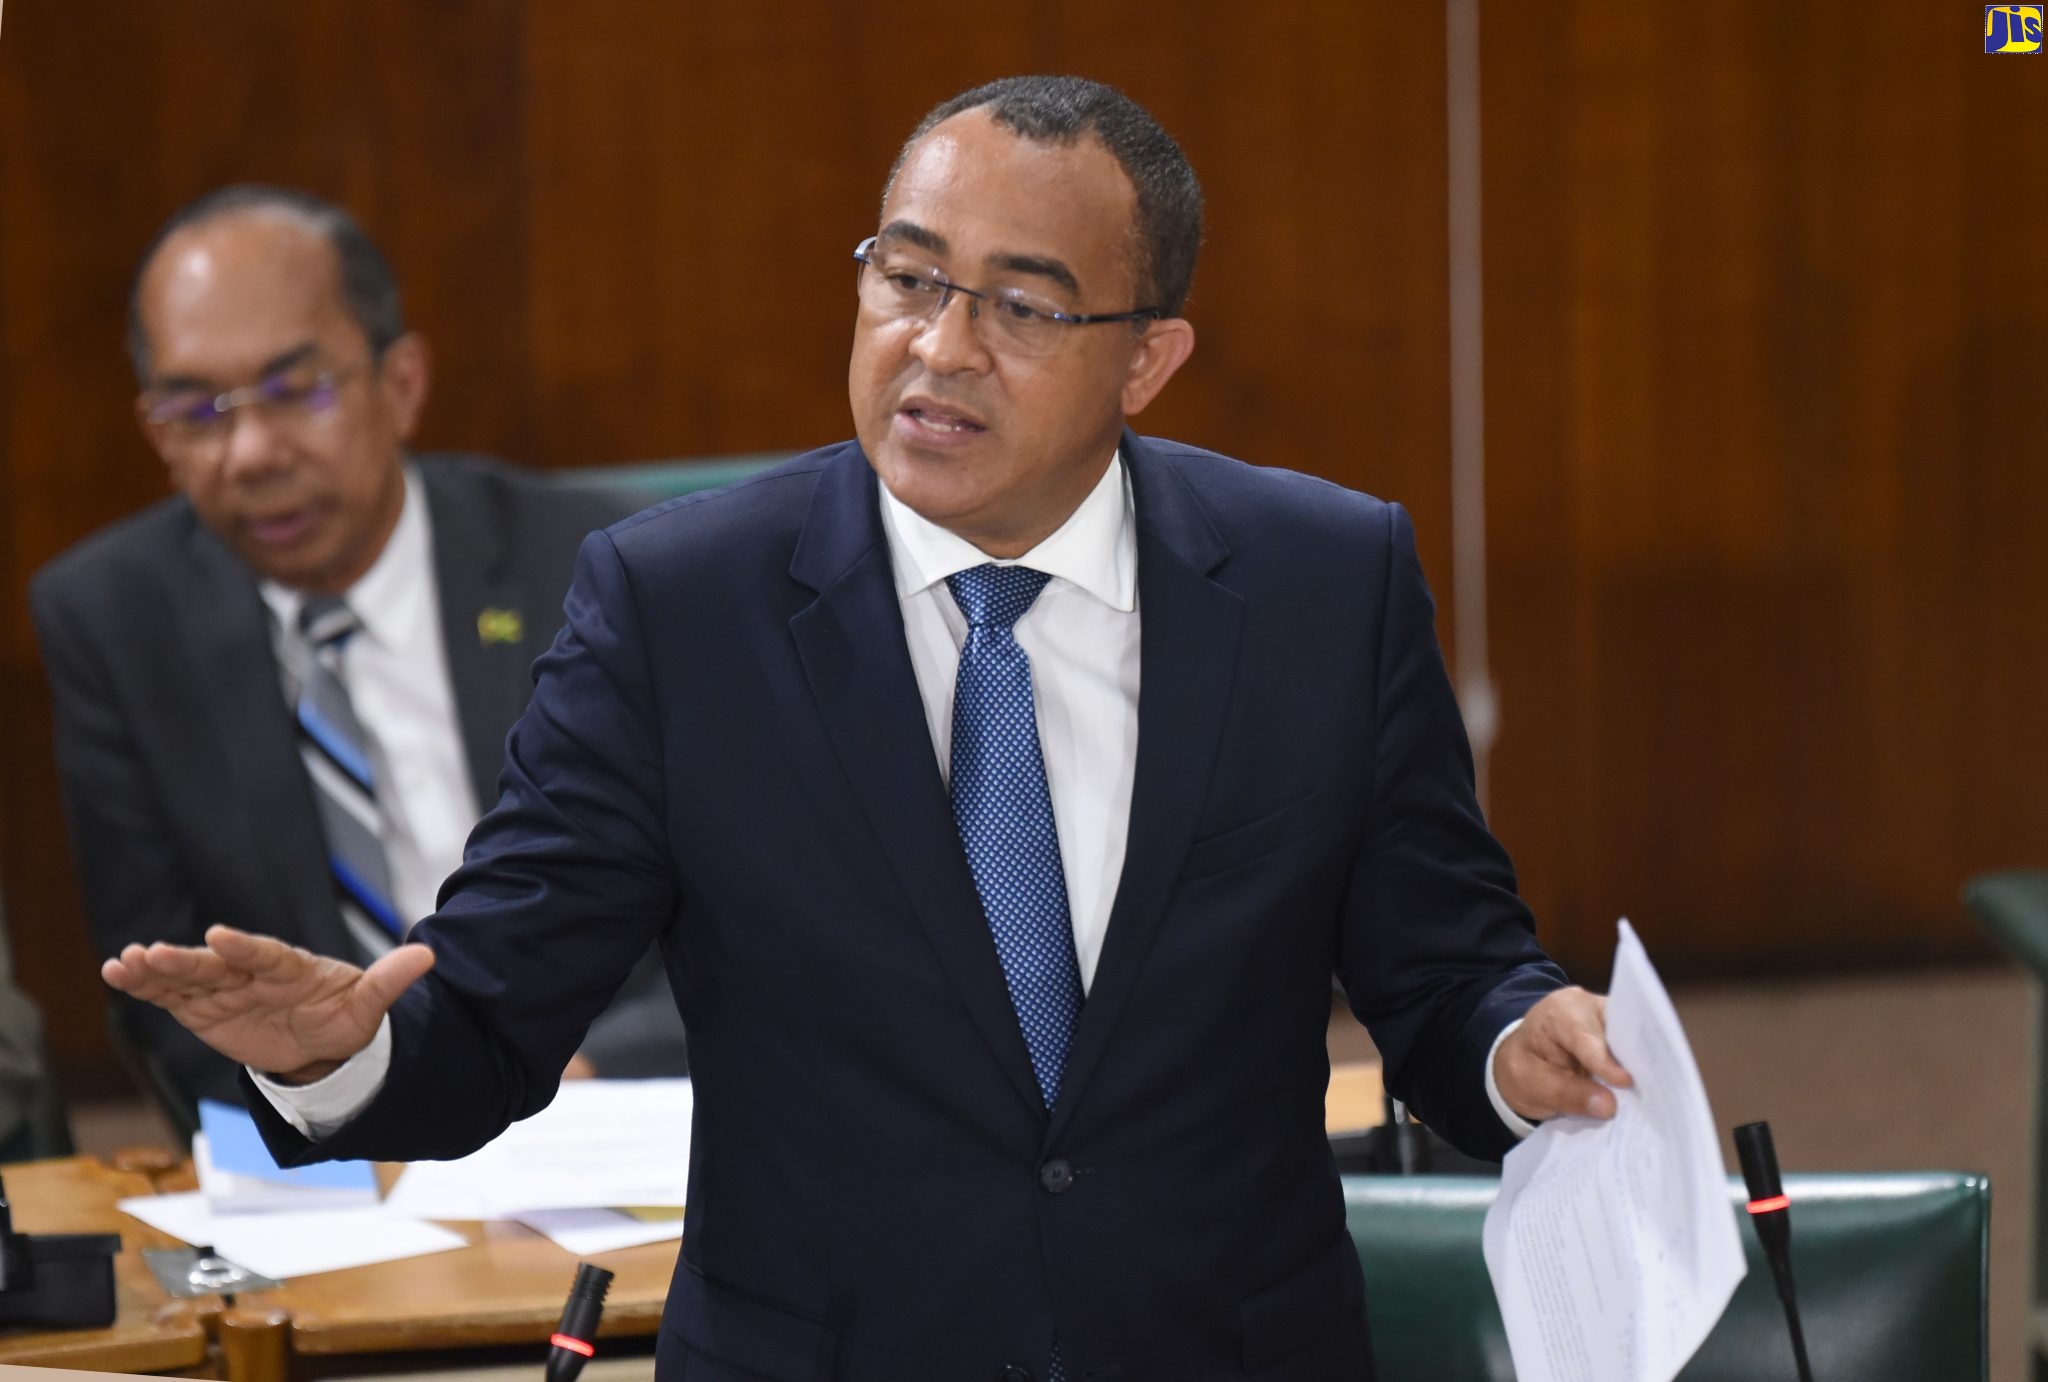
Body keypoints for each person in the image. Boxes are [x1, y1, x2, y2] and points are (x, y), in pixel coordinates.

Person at [106, 83, 1629, 1379]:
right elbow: (495, 1011)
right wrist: (344, 1053)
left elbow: (1442, 966)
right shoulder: (675, 608)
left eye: (1022, 305)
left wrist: (1517, 1040)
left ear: (1146, 358)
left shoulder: (1322, 581)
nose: (939, 346)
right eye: (907, 277)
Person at [38, 186, 685, 1116]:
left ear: (401, 384)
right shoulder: (115, 619)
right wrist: (331, 1106)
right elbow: (165, 991)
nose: (251, 453)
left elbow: (743, 916)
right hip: (335, 1142)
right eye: (197, 410)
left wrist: (571, 1085)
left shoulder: (597, 568)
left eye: (296, 391)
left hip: (610, 1114)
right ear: (157, 434)